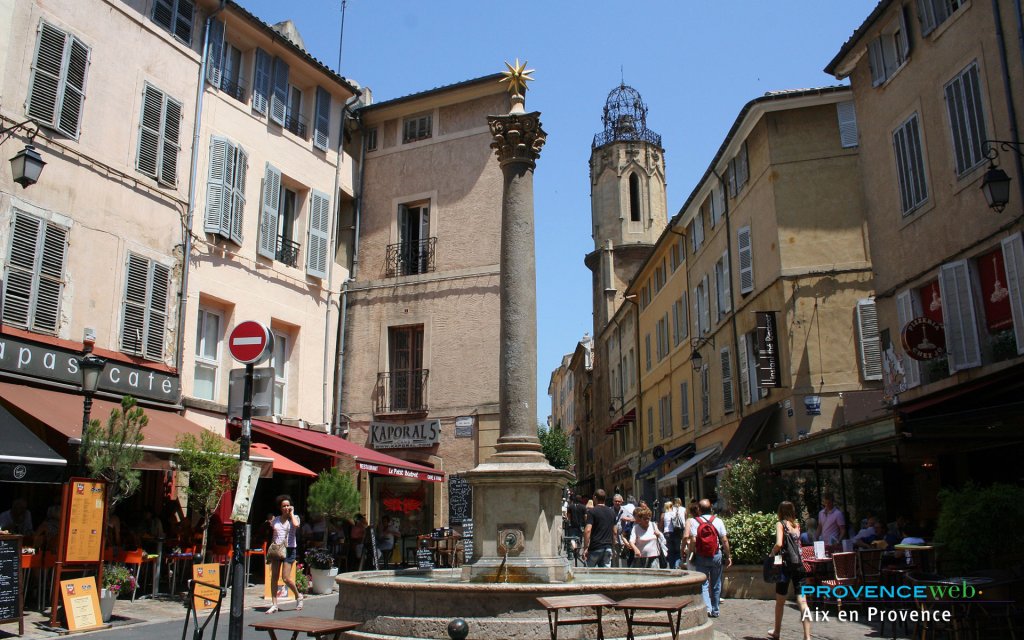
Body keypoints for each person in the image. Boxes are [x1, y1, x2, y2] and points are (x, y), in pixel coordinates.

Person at [768, 501, 812, 640]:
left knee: (780, 601)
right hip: (799, 565)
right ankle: (807, 636)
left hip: (785, 566)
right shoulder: (796, 525)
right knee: (803, 601)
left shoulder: (781, 524)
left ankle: (777, 632)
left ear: (780, 511)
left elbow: (779, 543)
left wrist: (771, 554)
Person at [686, 499, 731, 618]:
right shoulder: (718, 521)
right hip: (716, 555)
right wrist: (728, 555)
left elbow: (694, 540)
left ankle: (707, 608)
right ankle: (715, 609)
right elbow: (724, 540)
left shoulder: (695, 521)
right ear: (711, 508)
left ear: (699, 510)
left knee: (704, 583)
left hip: (701, 555)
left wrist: (692, 553)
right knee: (716, 583)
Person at [266, 495, 303, 614]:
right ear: (280, 508)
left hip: (289, 549)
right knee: (274, 577)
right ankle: (274, 604)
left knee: (286, 578)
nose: (286, 507)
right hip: (277, 550)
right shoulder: (276, 519)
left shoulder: (294, 517)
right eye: (284, 506)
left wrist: (291, 513)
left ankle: (298, 596)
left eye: (288, 505)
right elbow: (274, 534)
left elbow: (296, 525)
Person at [582, 489, 616, 568]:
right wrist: (613, 547)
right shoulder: (612, 512)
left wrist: (586, 548)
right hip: (607, 547)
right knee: (606, 575)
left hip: (595, 547)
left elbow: (587, 530)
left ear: (594, 497)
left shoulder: (592, 512)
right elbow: (614, 532)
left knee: (588, 574)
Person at [680, 499, 699, 570]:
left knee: (693, 573)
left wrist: (682, 550)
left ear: (690, 512)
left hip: (694, 551)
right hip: (708, 551)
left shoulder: (690, 521)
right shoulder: (706, 520)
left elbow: (685, 536)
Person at [661, 501, 681, 569]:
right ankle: (677, 565)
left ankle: (672, 567)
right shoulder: (675, 513)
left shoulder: (663, 515)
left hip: (667, 534)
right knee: (677, 551)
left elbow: (661, 526)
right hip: (676, 533)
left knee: (670, 552)